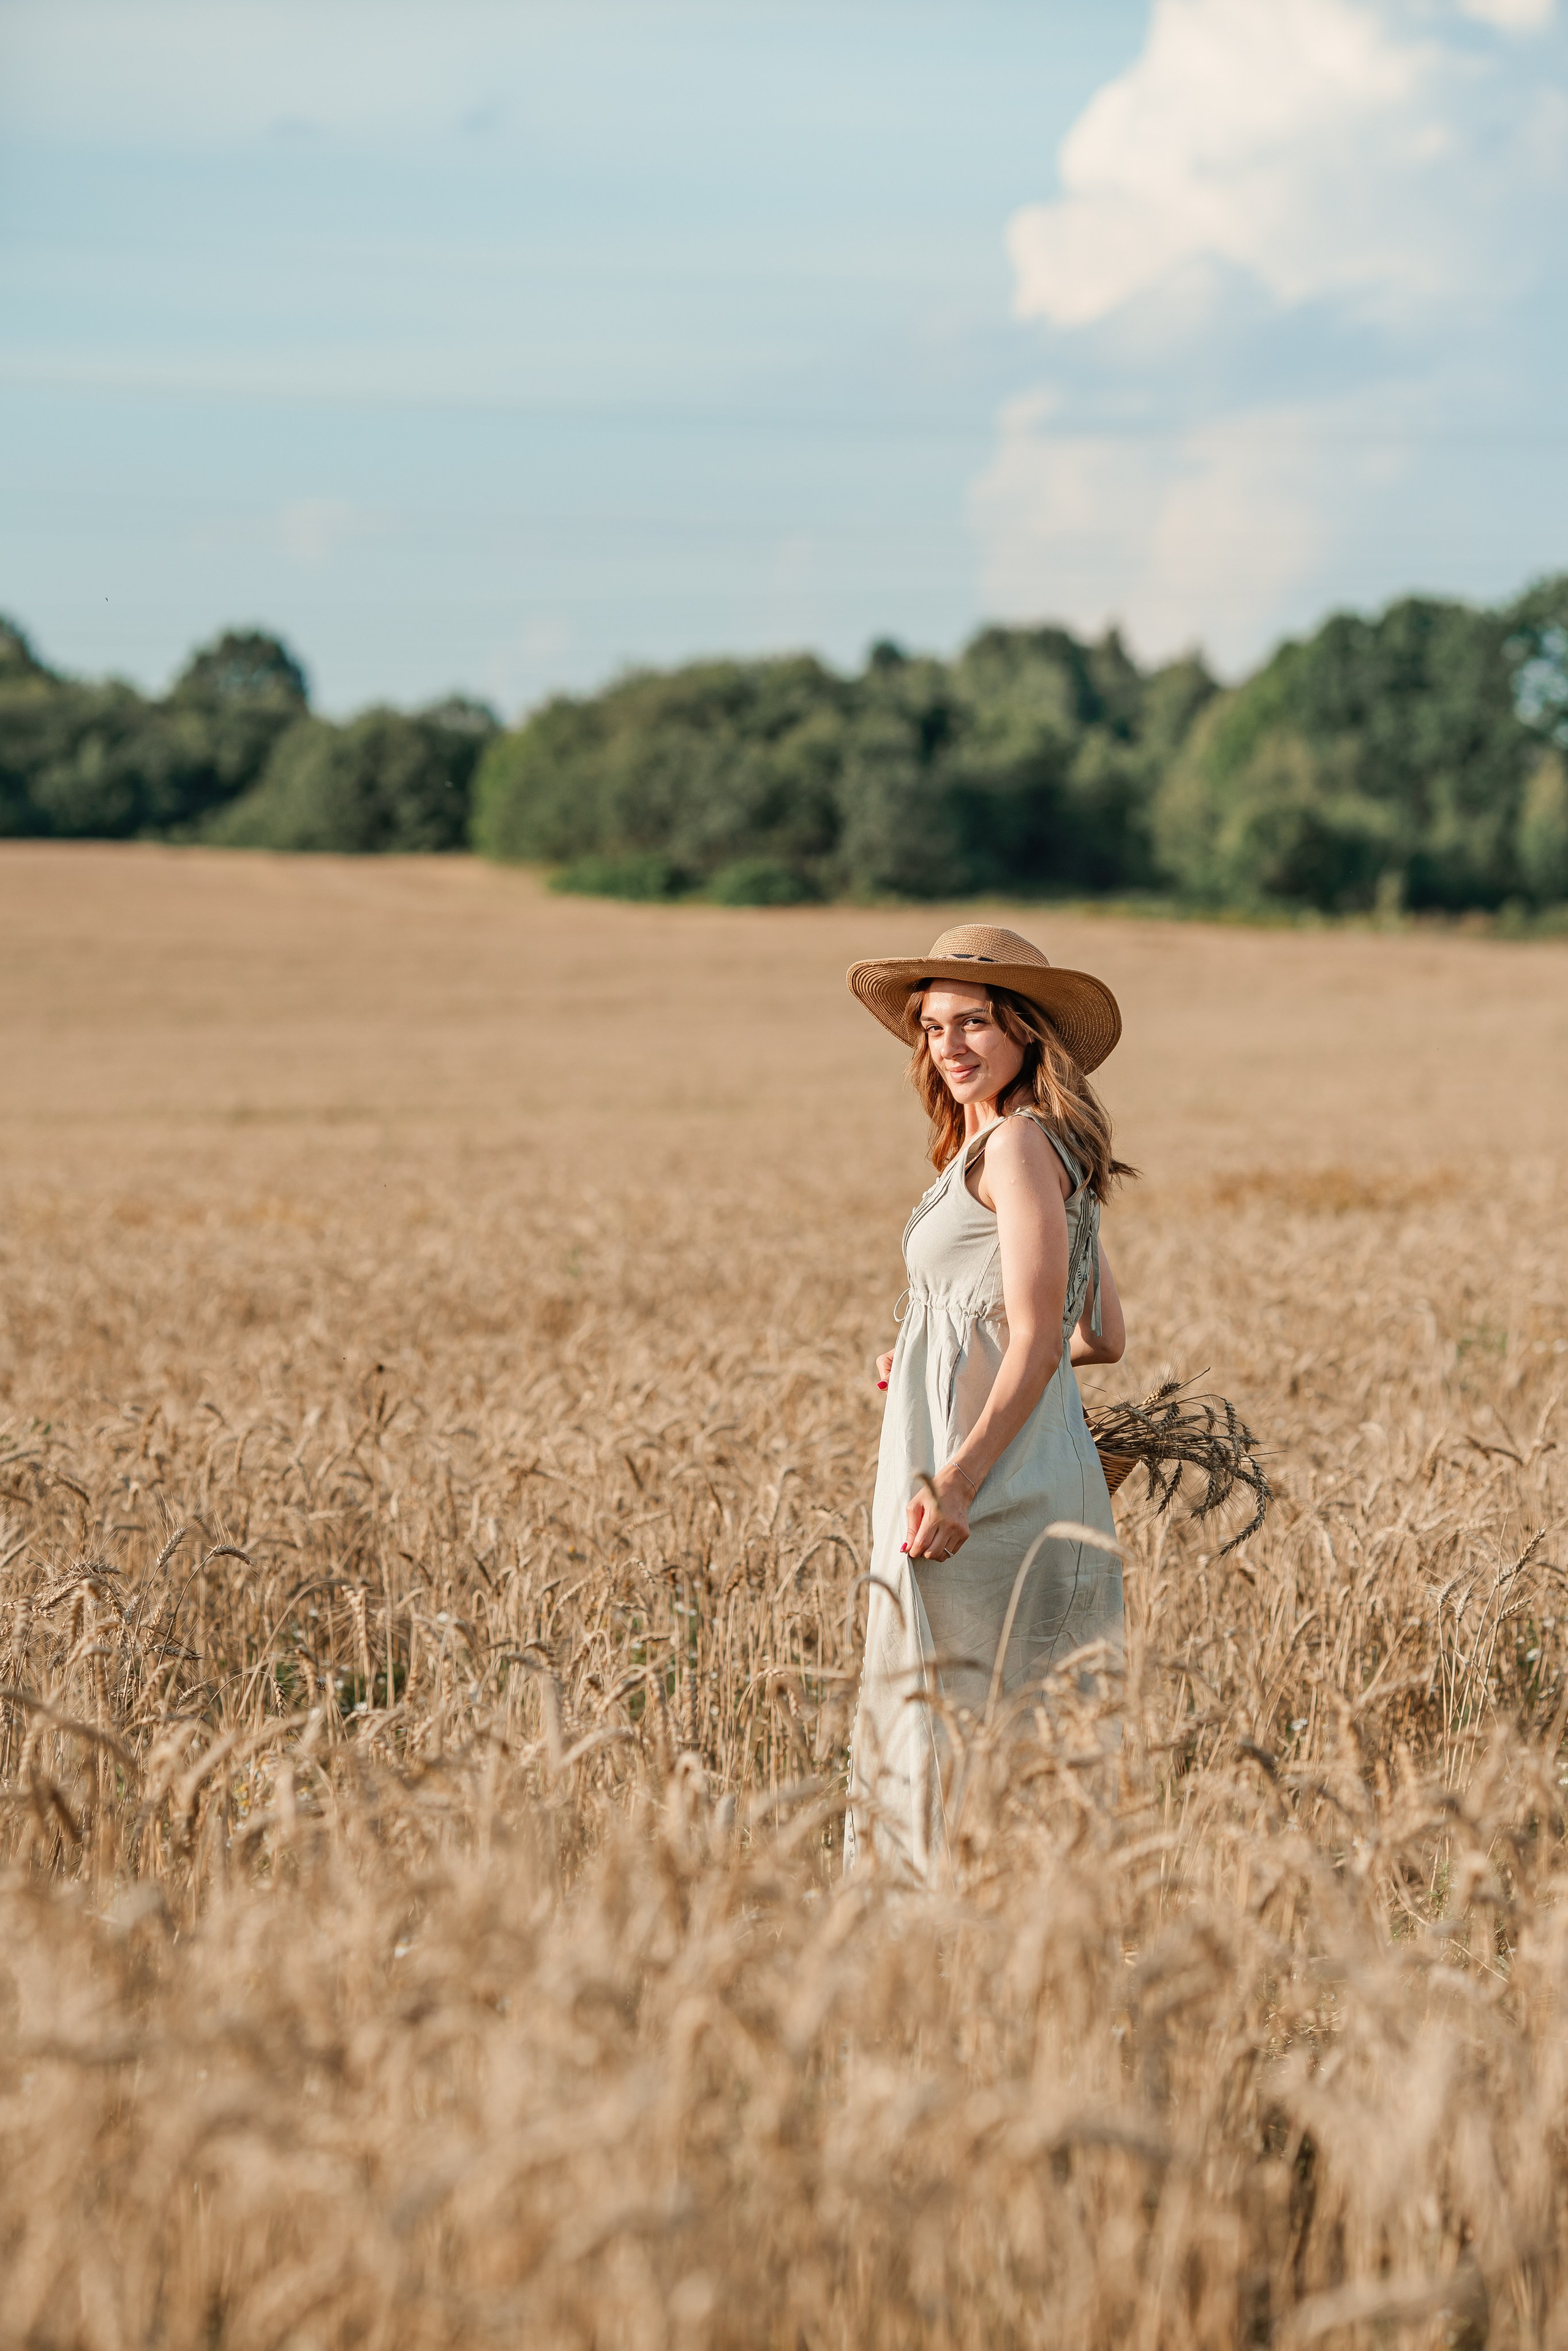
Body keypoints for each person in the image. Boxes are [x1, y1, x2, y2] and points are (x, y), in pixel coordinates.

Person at [843, 922, 1134, 1877]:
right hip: (997, 1468)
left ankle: (949, 1980)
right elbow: (1101, 1333)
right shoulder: (1040, 1150)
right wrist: (934, 1351)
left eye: (975, 1022)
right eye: (932, 1027)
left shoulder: (1014, 1145)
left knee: (956, 1741)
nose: (951, 1045)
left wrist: (960, 1478)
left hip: (981, 1491)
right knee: (1004, 1745)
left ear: (1026, 1032)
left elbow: (1050, 1338)